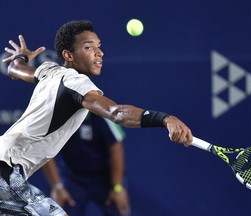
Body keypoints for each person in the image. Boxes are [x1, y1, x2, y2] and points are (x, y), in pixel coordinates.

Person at [0, 20, 193, 216]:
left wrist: (21, 56)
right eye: (88, 47)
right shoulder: (76, 81)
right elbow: (116, 113)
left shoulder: (50, 71)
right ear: (68, 55)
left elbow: (14, 69)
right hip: (4, 171)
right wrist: (164, 118)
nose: (99, 52)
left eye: (99, 46)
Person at [42, 113, 131, 216]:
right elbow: (45, 150)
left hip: (104, 177)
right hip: (72, 176)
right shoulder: (60, 115)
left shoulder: (104, 115)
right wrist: (57, 186)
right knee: (58, 212)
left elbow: (116, 150)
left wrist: (117, 187)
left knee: (118, 207)